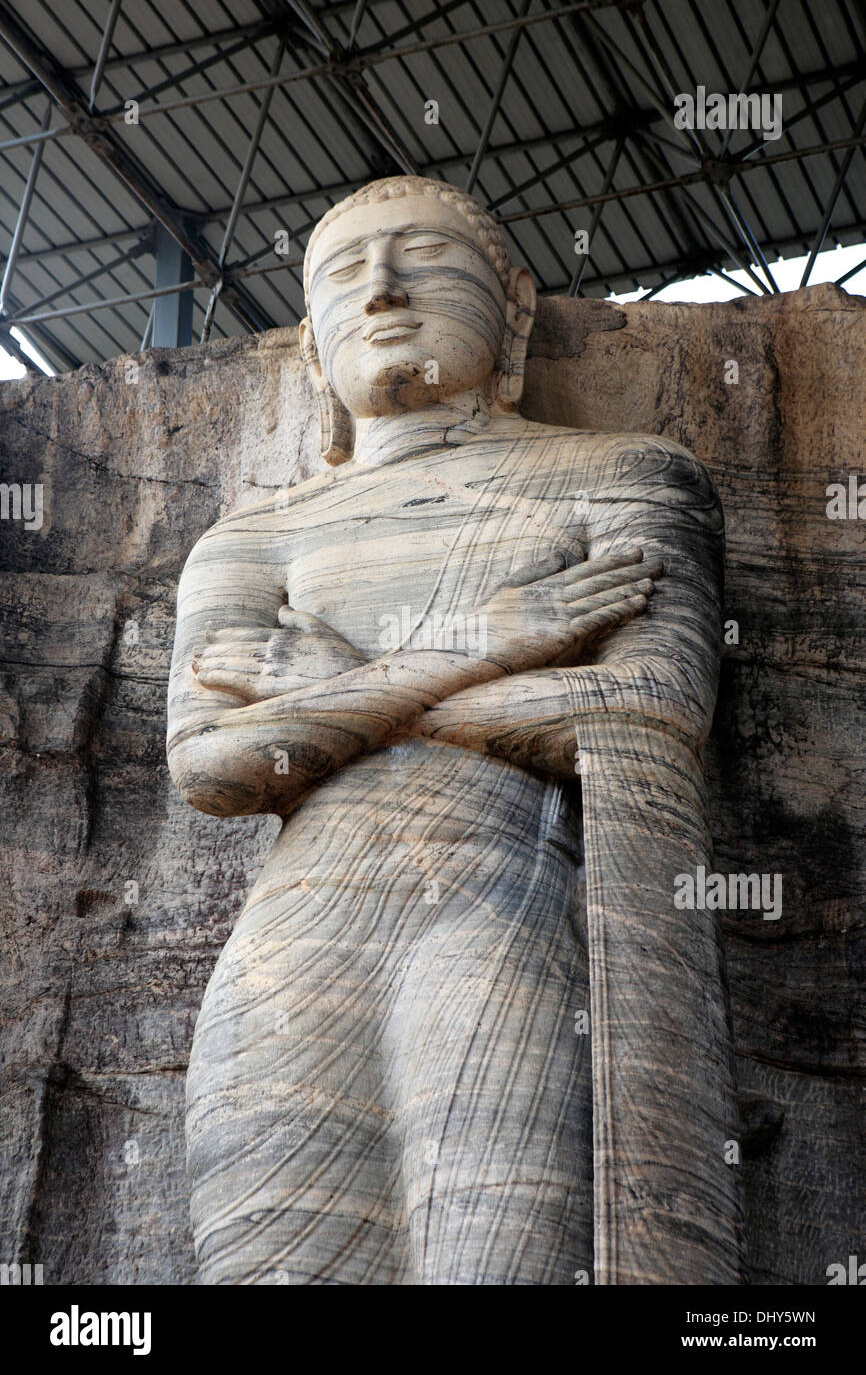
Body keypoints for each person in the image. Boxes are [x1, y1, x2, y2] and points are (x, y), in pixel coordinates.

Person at [167, 176, 739, 1285]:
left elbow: (651, 713)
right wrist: (484, 642)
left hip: (496, 914)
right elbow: (214, 765)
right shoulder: (255, 537)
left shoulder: (620, 476)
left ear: (514, 311)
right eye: (341, 273)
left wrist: (345, 689)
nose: (379, 288)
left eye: (422, 256)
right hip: (286, 956)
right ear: (309, 347)